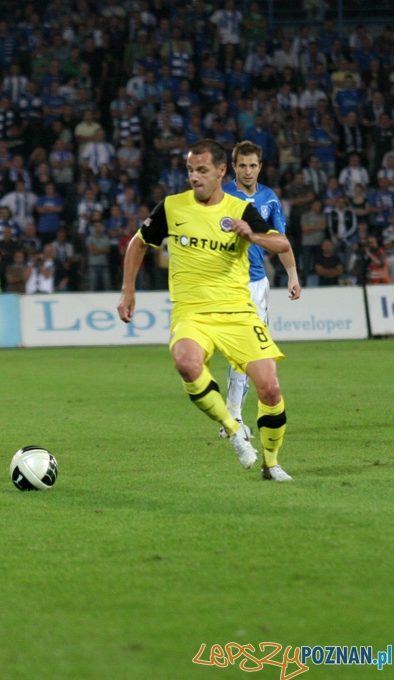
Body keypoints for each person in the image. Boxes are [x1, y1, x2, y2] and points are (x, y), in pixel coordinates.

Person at [117, 140, 294, 482]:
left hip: (238, 313)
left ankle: (271, 464)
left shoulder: (240, 209)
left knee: (270, 388)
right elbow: (138, 243)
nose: (194, 178)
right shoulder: (172, 206)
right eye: (190, 171)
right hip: (192, 314)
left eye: (201, 171)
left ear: (220, 172)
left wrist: (253, 235)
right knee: (185, 361)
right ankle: (234, 430)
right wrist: (128, 291)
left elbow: (282, 243)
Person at [219, 140, 301, 436]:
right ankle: (232, 416)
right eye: (242, 165)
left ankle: (233, 416)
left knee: (252, 353)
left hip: (257, 284)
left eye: (253, 165)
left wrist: (292, 274)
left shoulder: (269, 198)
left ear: (260, 166)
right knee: (240, 351)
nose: (248, 171)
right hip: (227, 281)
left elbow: (280, 240)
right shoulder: (222, 195)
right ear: (233, 167)